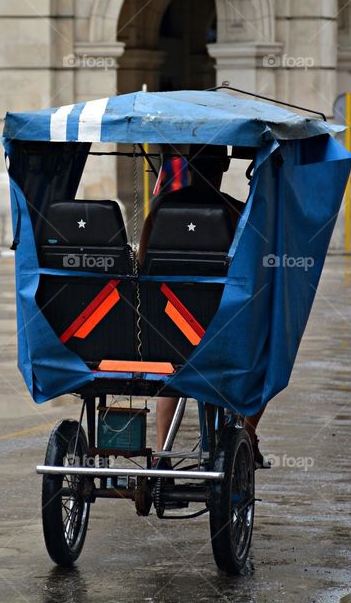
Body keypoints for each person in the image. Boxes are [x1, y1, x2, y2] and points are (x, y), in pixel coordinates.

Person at [138, 144, 267, 468]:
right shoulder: (238, 211)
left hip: (167, 327)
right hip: (221, 328)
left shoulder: (160, 209)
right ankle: (247, 434)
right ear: (223, 167)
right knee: (268, 358)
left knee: (172, 367)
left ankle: (159, 451)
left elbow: (142, 266)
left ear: (189, 167)